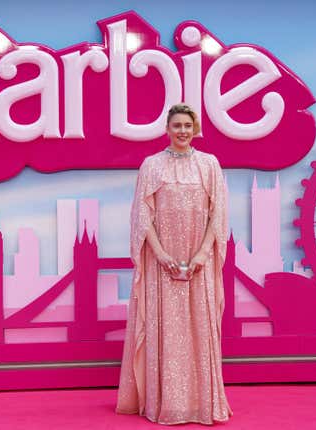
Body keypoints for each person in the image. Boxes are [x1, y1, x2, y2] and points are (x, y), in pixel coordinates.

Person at [116, 103, 233, 425]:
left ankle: (202, 404)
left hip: (200, 262)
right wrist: (161, 255)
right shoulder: (151, 165)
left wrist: (200, 256)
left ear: (195, 129)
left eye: (187, 125)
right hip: (161, 264)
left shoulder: (209, 165)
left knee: (200, 327)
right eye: (176, 125)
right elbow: (142, 218)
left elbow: (218, 216)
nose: (182, 131)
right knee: (165, 330)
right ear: (167, 129)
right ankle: (164, 403)